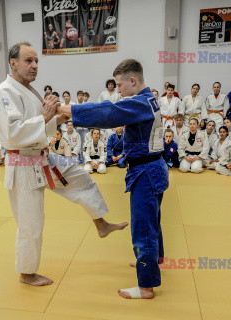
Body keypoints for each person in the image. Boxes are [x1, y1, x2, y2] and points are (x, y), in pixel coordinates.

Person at [0, 42, 128, 287]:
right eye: (28, 61)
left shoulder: (28, 90)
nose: (34, 66)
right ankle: (26, 272)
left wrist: (56, 118)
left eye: (36, 61)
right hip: (22, 165)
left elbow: (38, 127)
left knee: (81, 178)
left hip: (43, 156)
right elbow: (13, 133)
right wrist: (45, 116)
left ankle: (101, 223)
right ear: (13, 62)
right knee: (31, 222)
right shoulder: (4, 92)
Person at [58, 58, 169, 300]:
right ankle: (154, 260)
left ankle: (146, 286)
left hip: (146, 172)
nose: (118, 90)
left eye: (119, 85)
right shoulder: (148, 99)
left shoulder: (141, 102)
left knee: (143, 228)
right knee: (153, 221)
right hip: (152, 168)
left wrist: (67, 110)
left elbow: (109, 112)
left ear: (132, 81)